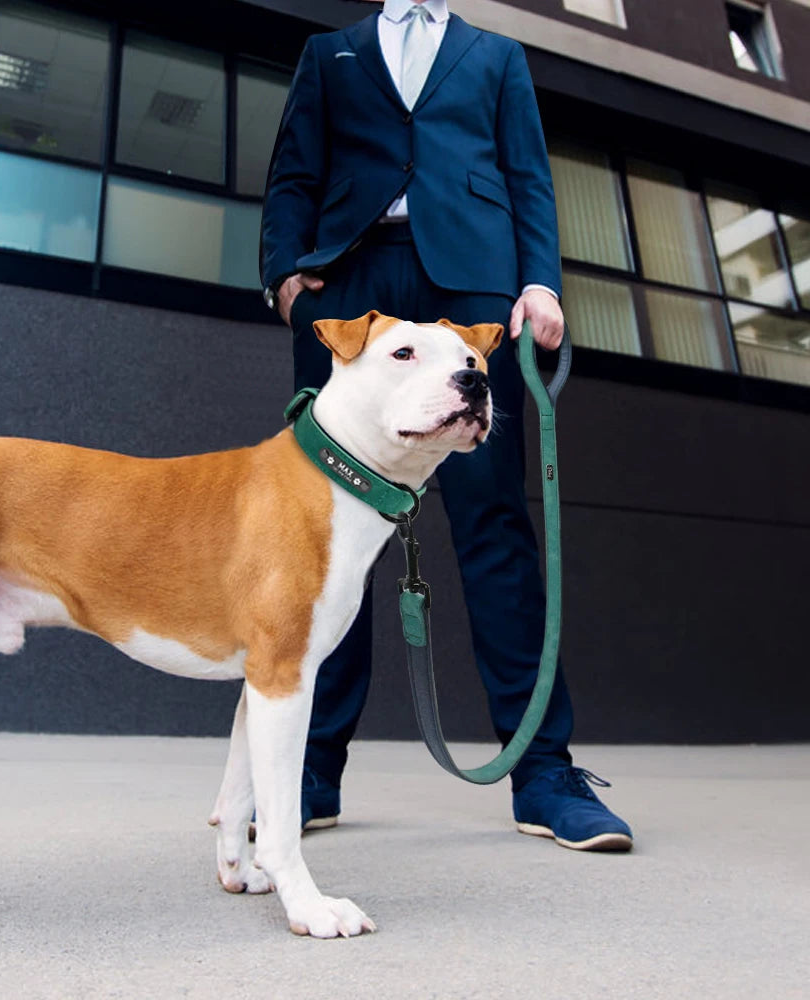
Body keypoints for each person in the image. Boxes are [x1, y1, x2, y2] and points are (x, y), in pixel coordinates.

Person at [259, 0, 632, 851]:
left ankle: (542, 774)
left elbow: (528, 175)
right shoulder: (332, 53)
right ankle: (309, 773)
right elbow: (292, 174)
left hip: (473, 293)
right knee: (325, 536)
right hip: (349, 287)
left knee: (493, 522)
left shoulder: (497, 56)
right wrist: (283, 272)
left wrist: (540, 281)